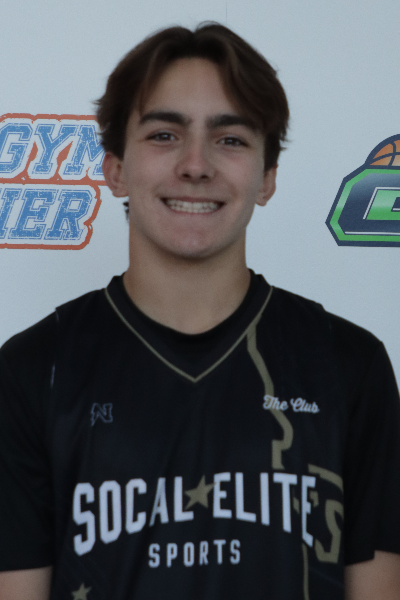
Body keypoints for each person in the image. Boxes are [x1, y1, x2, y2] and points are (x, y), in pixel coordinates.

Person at [0, 22, 399, 600]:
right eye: (164, 135)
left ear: (267, 178)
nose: (196, 164)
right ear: (115, 169)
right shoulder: (34, 370)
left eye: (230, 139)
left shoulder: (350, 366)